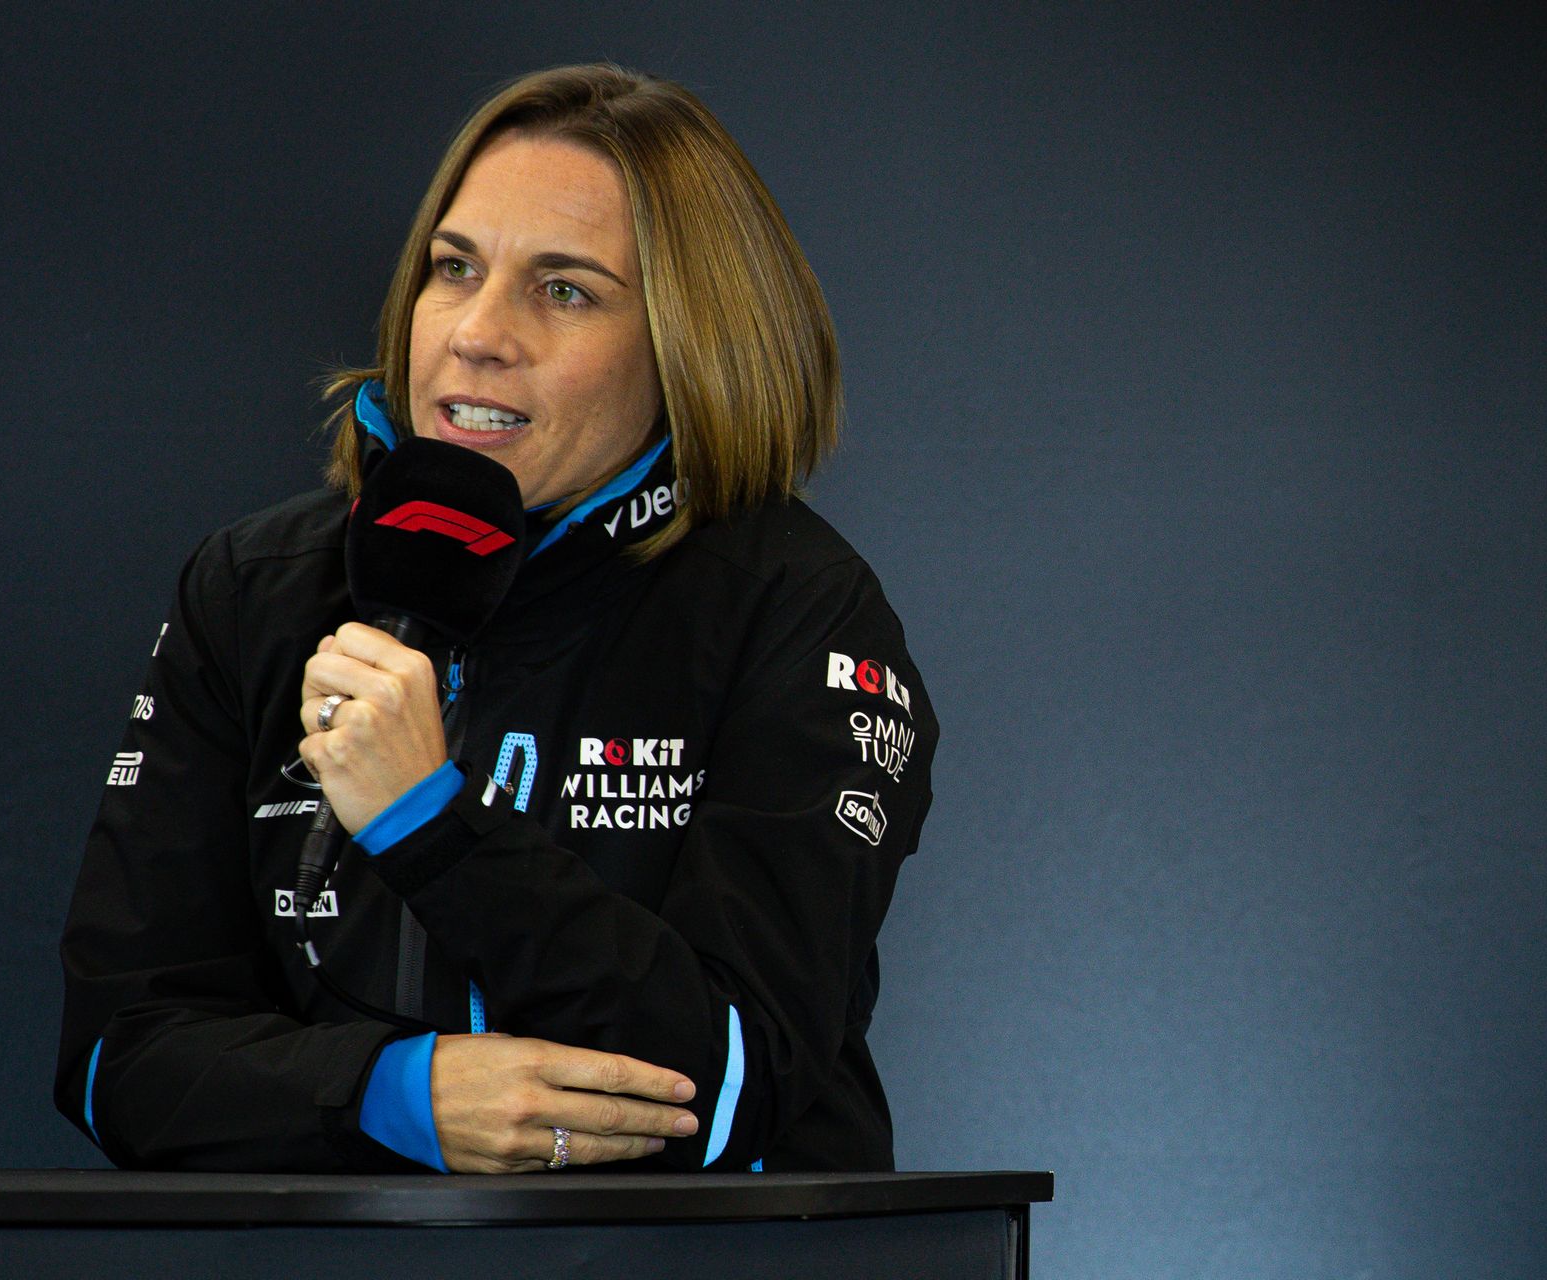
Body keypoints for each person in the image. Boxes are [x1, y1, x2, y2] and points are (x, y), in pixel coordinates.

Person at [54, 65, 935, 1175]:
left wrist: (427, 821)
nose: (476, 333)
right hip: (343, 1259)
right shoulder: (252, 588)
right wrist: (386, 1093)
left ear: (691, 343)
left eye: (564, 290)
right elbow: (116, 1059)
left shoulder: (798, 608)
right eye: (455, 268)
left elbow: (726, 1088)